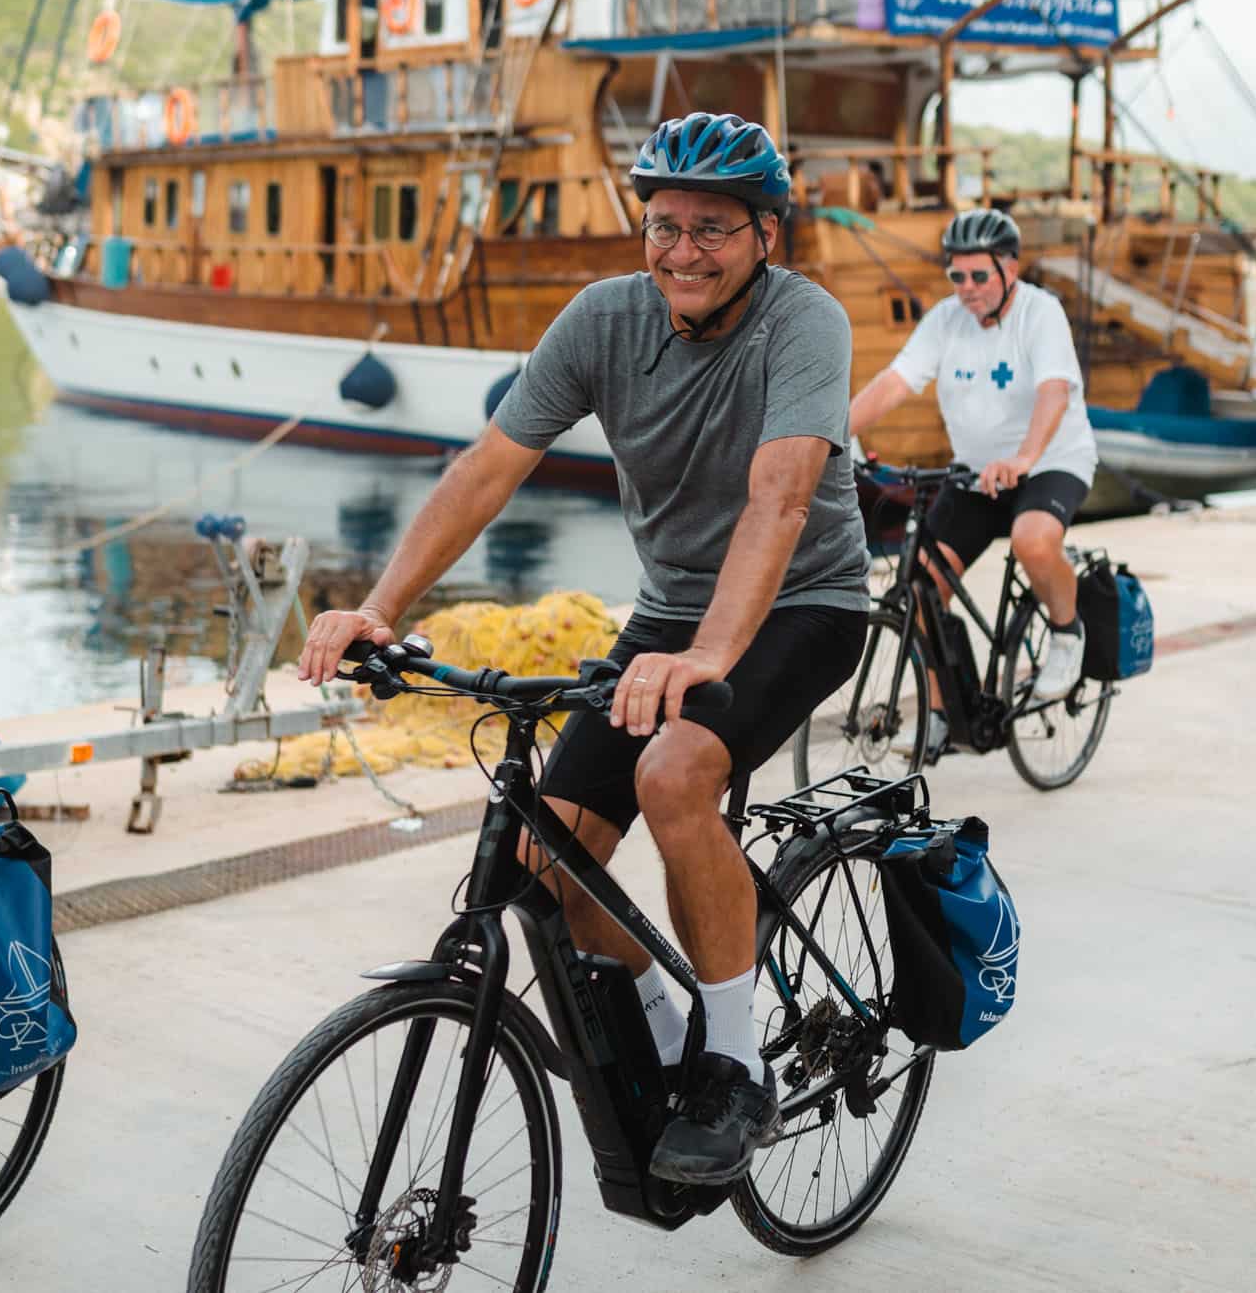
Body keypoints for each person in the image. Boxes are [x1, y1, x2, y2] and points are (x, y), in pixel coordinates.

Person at [297, 111, 869, 1186]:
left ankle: (735, 1063)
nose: (682, 250)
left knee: (675, 770)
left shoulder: (806, 322)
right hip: (669, 617)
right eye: (663, 225)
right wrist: (378, 605)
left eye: (712, 227)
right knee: (541, 862)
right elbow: (487, 467)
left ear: (765, 239)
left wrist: (706, 656)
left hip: (803, 600)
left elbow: (781, 493)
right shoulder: (603, 319)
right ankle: (662, 1034)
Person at [845, 207, 1097, 752]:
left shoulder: (1041, 312)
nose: (967, 288)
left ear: (1010, 266)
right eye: (956, 275)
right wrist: (830, 435)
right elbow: (895, 382)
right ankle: (941, 711)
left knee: (1033, 541)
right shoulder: (944, 320)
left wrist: (1027, 457)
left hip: (1050, 461)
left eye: (979, 275)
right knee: (918, 590)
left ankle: (1065, 631)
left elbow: (1055, 391)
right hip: (976, 475)